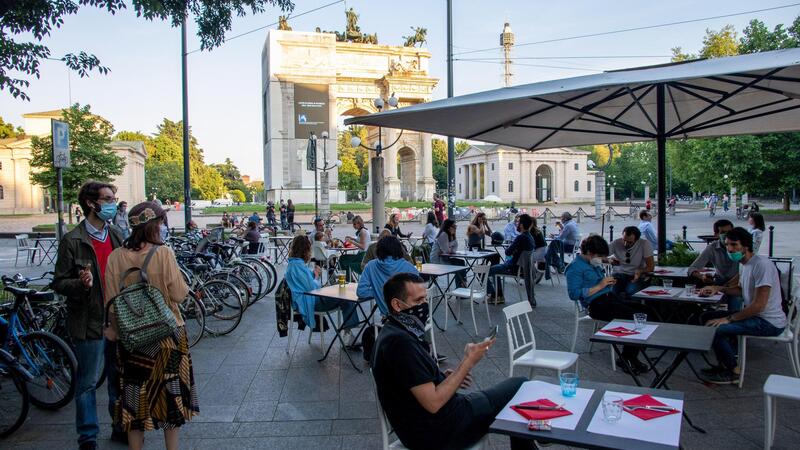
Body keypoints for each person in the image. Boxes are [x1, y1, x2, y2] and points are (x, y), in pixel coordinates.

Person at [372, 273, 529, 450]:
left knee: (516, 395)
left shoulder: (394, 331)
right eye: (418, 301)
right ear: (397, 305)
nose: (424, 305)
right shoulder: (400, 343)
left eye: (425, 299)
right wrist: (468, 361)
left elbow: (411, 380)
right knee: (522, 386)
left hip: (431, 425)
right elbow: (433, 403)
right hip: (439, 433)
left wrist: (441, 378)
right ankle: (539, 434)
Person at [103, 201, 198, 450]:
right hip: (168, 338)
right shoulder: (163, 253)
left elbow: (111, 303)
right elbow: (178, 294)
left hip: (132, 340)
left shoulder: (115, 257)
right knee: (171, 396)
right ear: (154, 225)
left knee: (134, 400)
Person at [52, 181, 125, 450]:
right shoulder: (72, 240)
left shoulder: (115, 234)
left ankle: (120, 427)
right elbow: (59, 283)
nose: (112, 203)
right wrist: (80, 284)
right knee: (87, 383)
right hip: (89, 322)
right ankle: (88, 436)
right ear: (92, 204)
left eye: (113, 198)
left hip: (117, 319)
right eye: (107, 198)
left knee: (118, 377)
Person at [698, 227, 787, 384]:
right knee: (706, 316)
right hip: (756, 316)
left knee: (717, 328)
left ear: (746, 246)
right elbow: (741, 289)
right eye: (727, 245)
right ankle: (725, 362)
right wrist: (718, 289)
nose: (730, 249)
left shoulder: (761, 265)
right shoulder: (744, 264)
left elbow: (759, 305)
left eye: (734, 245)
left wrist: (729, 319)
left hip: (768, 322)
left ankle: (733, 371)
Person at [565, 235, 653, 374]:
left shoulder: (591, 262)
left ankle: (633, 353)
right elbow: (574, 294)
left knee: (646, 311)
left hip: (609, 297)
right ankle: (627, 358)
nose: (600, 259)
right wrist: (600, 285)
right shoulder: (575, 268)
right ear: (589, 253)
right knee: (633, 316)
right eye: (599, 256)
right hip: (596, 305)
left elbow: (602, 261)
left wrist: (608, 278)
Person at [285, 236, 359, 341]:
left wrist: (314, 274)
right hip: (311, 301)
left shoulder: (294, 264)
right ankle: (348, 332)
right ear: (305, 250)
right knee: (346, 298)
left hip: (306, 299)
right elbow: (313, 288)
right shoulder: (298, 266)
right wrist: (316, 275)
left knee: (341, 294)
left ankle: (349, 330)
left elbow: (305, 282)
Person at [358, 236, 419, 315]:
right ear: (399, 249)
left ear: (378, 250)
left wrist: (379, 291)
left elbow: (361, 292)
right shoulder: (409, 267)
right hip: (412, 316)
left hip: (388, 317)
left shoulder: (370, 266)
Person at [487, 214, 535, 301]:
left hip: (513, 268)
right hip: (524, 269)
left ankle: (497, 296)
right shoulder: (530, 237)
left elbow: (507, 252)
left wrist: (513, 248)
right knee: (496, 268)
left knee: (491, 269)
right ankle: (499, 295)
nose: (517, 224)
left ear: (521, 225)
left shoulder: (520, 237)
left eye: (518, 222)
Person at [608, 226, 654, 298]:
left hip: (635, 276)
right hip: (618, 275)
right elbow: (598, 255)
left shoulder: (644, 244)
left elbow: (651, 267)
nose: (626, 244)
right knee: (611, 292)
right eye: (624, 240)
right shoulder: (616, 242)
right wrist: (609, 260)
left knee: (631, 292)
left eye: (629, 242)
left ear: (637, 240)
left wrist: (640, 271)